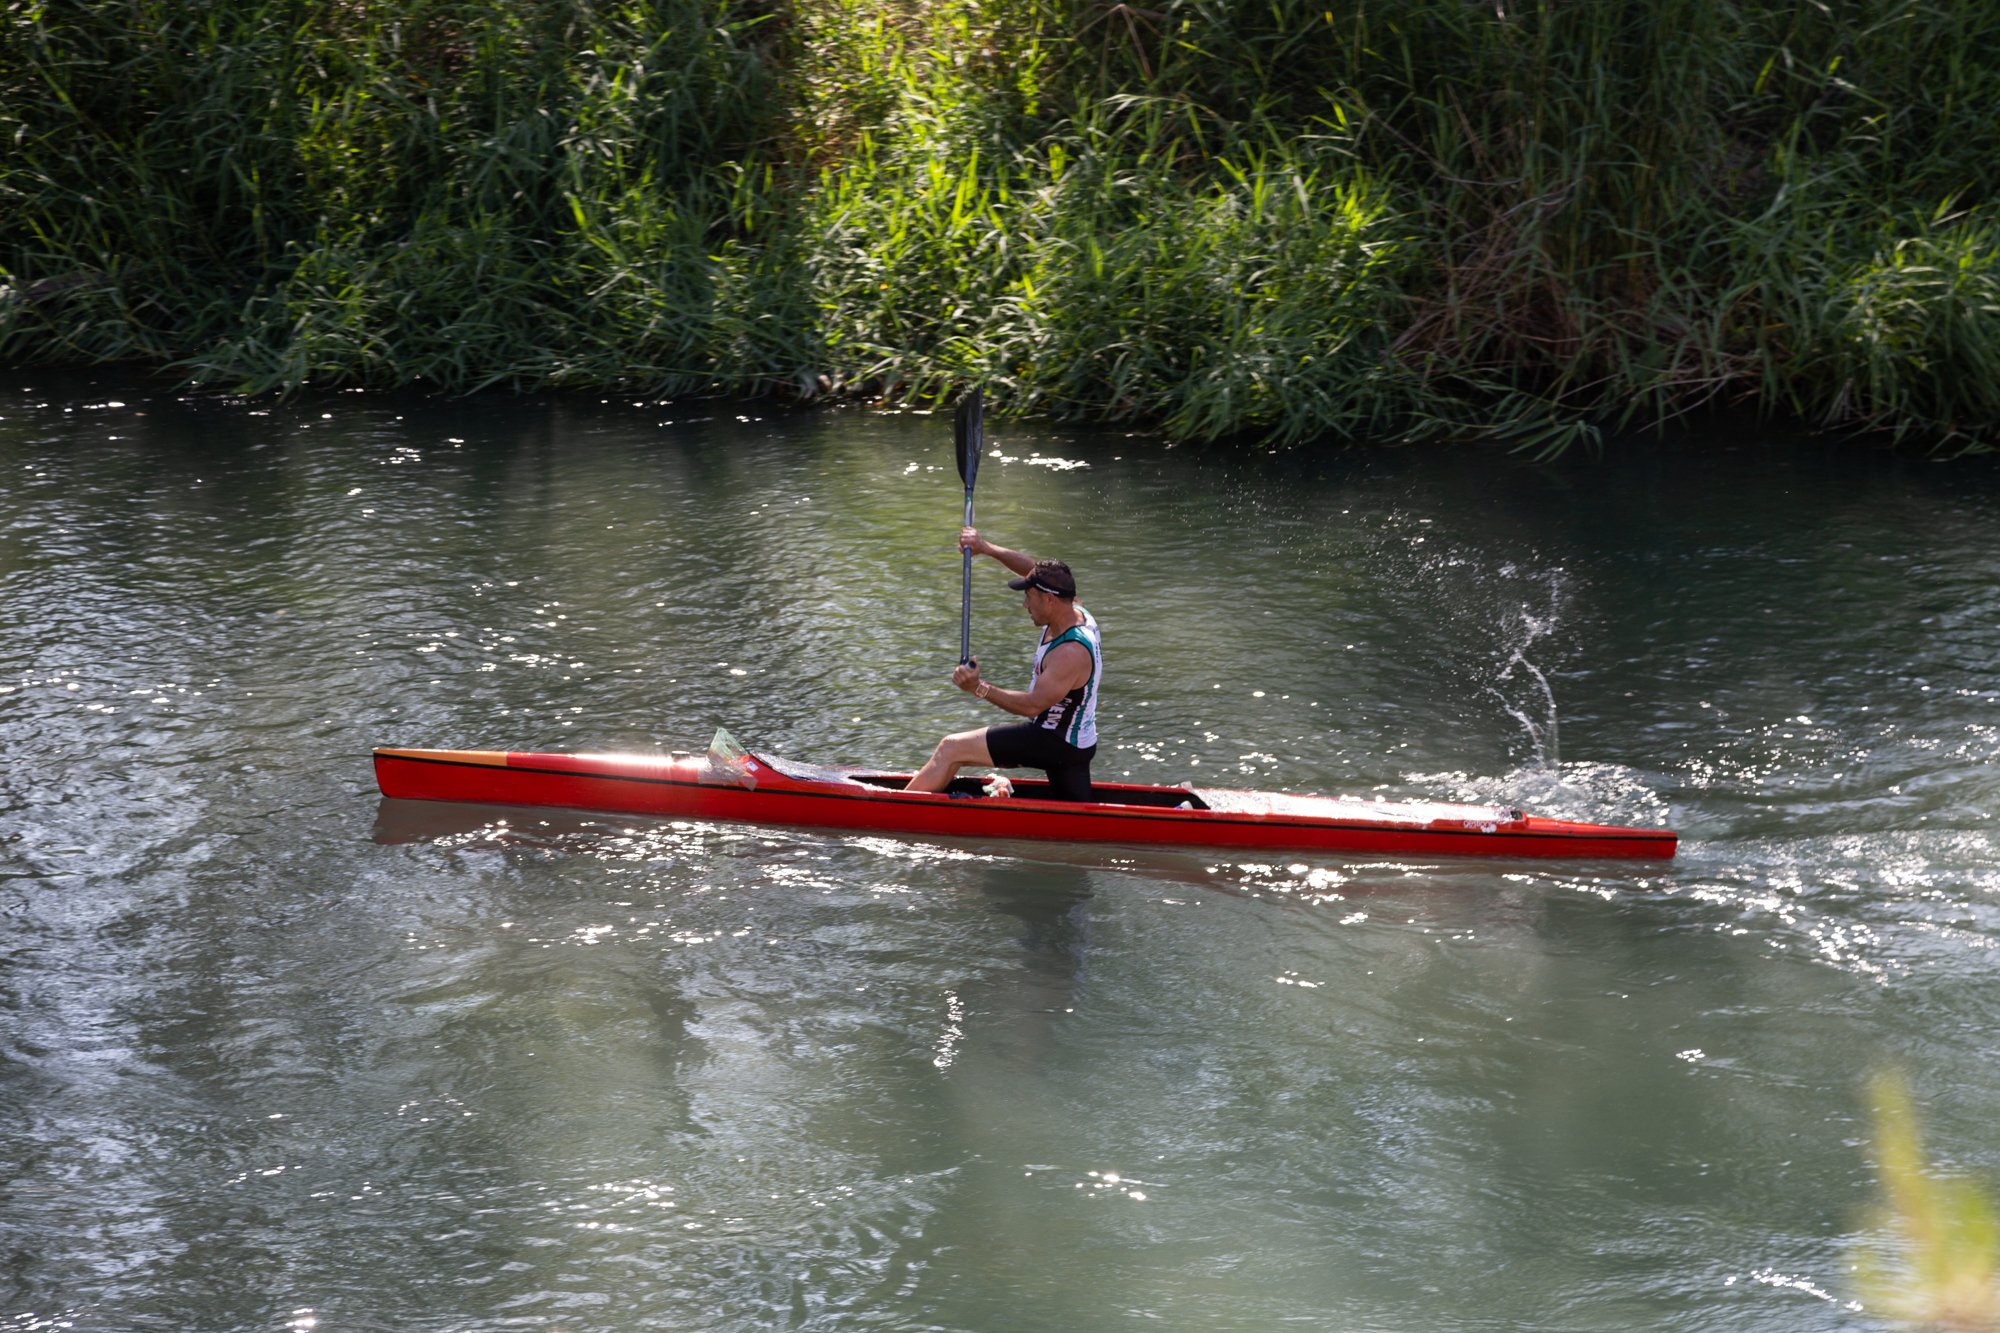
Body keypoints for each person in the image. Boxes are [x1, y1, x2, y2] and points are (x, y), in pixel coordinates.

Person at [906, 528, 1102, 801]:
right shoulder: (1073, 608)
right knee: (1079, 817)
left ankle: (886, 810)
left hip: (1055, 741)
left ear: (1049, 599)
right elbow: (1033, 571)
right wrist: (986, 547)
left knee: (950, 749)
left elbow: (1033, 705)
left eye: (1028, 598)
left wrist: (979, 688)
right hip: (1077, 742)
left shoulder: (1069, 653)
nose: (1024, 605)